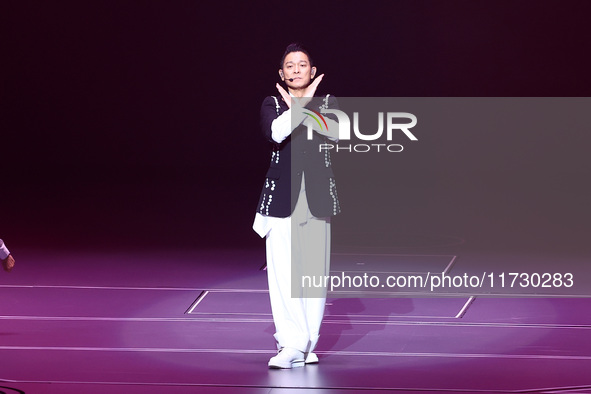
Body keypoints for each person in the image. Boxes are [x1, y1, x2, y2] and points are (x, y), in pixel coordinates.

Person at [253, 43, 340, 369]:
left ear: (313, 71)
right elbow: (276, 133)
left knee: (313, 277)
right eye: (290, 66)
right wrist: (299, 107)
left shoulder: (330, 103)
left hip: (316, 199)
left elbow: (334, 131)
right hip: (281, 201)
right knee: (284, 275)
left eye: (302, 65)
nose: (296, 70)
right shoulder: (273, 103)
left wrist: (305, 107)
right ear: (281, 73)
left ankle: (307, 343)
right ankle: (291, 343)